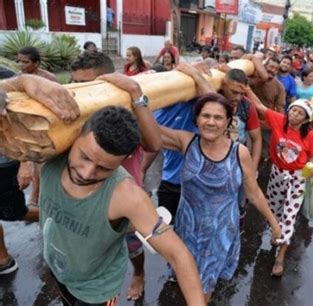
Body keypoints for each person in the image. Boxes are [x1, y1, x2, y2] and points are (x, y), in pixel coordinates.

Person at [37, 103, 205, 305]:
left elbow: (179, 255)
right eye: (84, 156)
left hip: (97, 290)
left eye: (103, 168)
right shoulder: (48, 152)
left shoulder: (127, 196)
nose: (86, 173)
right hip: (59, 271)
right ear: (75, 137)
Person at [158, 93, 281, 302]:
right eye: (205, 116)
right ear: (196, 119)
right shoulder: (186, 142)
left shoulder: (239, 152)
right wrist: (138, 97)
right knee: (186, 279)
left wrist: (274, 223)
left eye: (218, 117)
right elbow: (148, 131)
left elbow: (254, 192)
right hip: (188, 229)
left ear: (228, 122)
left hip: (220, 233)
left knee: (203, 289)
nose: (211, 122)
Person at [70, 52, 162, 301]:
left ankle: (139, 274)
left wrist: (135, 94)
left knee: (132, 246)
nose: (79, 92)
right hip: (84, 199)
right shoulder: (73, 112)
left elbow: (154, 142)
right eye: (75, 84)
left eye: (87, 85)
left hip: (123, 198)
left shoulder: (126, 112)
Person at [0, 73, 76, 275]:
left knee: (17, 212)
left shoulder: (5, 74)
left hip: (7, 161)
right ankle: (3, 260)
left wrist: (24, 162)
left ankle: (67, 218)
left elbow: (24, 119)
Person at [247, 91, 313, 276]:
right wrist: (245, 89)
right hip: (277, 175)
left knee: (289, 216)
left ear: (305, 119)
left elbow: (312, 156)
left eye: (299, 113)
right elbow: (260, 107)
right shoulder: (279, 121)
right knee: (274, 210)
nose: (294, 114)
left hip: (297, 178)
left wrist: (309, 169)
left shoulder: (310, 135)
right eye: (293, 110)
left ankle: (280, 258)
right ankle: (276, 233)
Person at [249, 57, 285, 159]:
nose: (272, 70)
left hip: (265, 125)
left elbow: (280, 108)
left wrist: (279, 127)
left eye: (276, 69)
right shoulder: (252, 78)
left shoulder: (279, 87)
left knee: (263, 154)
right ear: (264, 66)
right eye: (271, 66)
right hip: (247, 120)